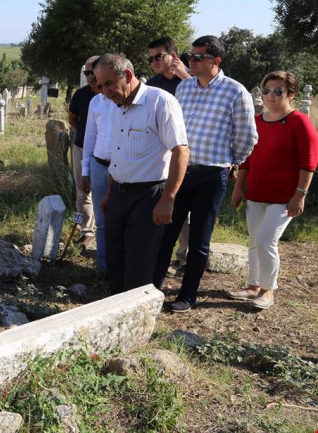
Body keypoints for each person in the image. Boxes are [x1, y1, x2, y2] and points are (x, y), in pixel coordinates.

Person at [153, 35, 258, 313]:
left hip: (211, 174)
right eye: (191, 56)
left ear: (216, 61)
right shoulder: (184, 88)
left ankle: (187, 295)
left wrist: (231, 161)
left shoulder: (236, 92)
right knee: (165, 232)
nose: (192, 61)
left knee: (199, 238)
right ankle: (151, 289)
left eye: (199, 57)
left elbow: (248, 137)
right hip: (179, 170)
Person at [93, 53, 188, 295]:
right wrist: (109, 194)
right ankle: (114, 313)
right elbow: (119, 153)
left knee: (139, 264)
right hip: (118, 194)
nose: (104, 91)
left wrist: (168, 199)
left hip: (148, 196)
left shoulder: (160, 102)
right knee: (115, 260)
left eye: (109, 84)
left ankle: (136, 319)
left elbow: (181, 151)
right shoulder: (117, 106)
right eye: (100, 85)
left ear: (127, 75)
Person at [228, 71, 317, 310]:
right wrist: (238, 187)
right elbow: (246, 160)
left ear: (290, 94)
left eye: (278, 91)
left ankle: (268, 290)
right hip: (256, 192)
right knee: (255, 241)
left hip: (284, 197)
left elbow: (308, 162)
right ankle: (253, 286)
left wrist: (300, 195)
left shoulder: (299, 121)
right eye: (266, 90)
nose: (270, 95)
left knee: (267, 239)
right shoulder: (256, 122)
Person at [147, 36, 192, 276]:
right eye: (151, 58)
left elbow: (203, 100)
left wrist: (186, 77)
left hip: (184, 151)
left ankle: (185, 258)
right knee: (161, 201)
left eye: (159, 56)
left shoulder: (190, 81)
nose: (154, 61)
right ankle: (158, 253)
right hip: (158, 151)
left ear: (173, 56)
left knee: (184, 209)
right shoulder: (152, 84)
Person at [80, 60, 112, 273]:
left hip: (126, 170)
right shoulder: (97, 102)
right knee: (101, 219)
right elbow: (90, 136)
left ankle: (122, 266)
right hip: (99, 165)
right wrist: (85, 171)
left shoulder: (129, 102)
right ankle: (104, 268)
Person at [68, 55, 99, 249]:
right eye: (86, 72)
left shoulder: (111, 94)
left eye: (92, 72)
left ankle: (103, 229)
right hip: (81, 148)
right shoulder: (81, 95)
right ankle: (85, 230)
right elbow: (73, 120)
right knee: (82, 191)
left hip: (106, 153)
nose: (89, 76)